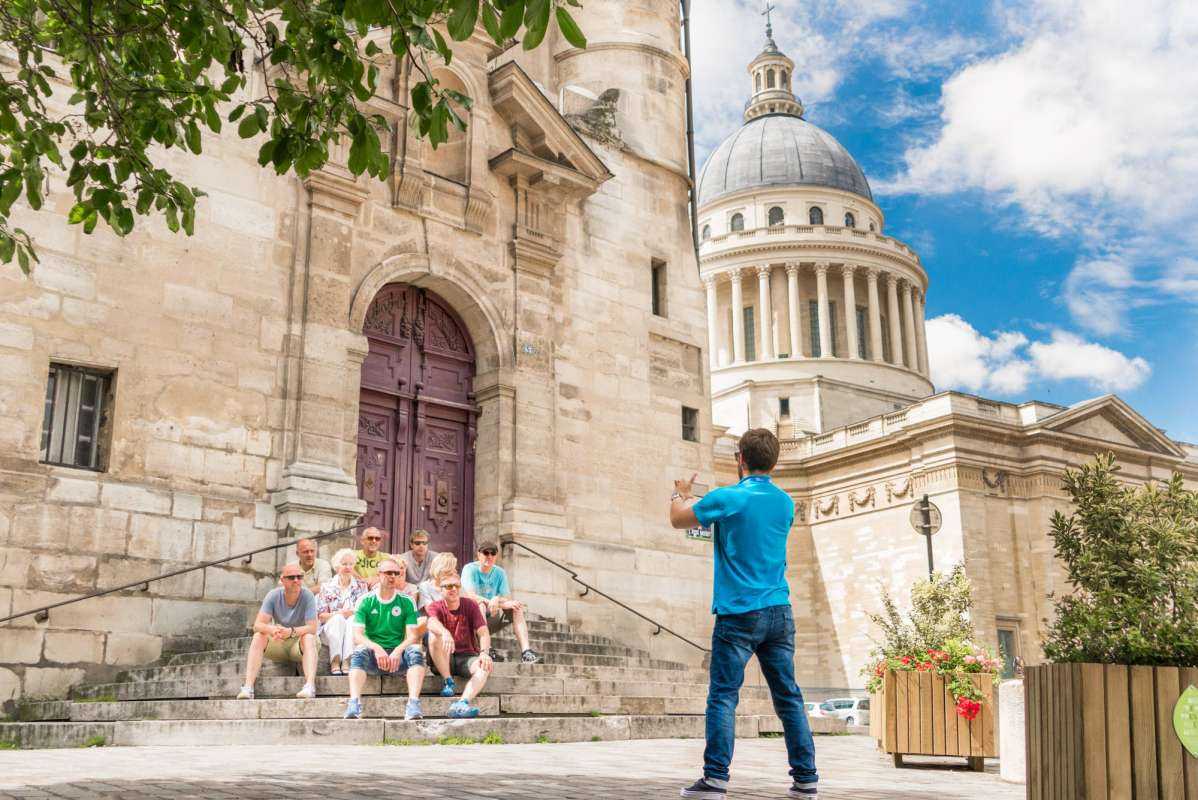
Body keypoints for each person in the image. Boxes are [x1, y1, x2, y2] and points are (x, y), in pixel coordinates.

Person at [669, 428, 818, 800]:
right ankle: (806, 779)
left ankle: (715, 779)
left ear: (740, 459)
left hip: (738, 613)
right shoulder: (784, 502)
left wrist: (681, 494)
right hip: (779, 611)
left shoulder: (729, 497)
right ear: (775, 461)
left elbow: (678, 519)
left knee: (723, 696)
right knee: (789, 698)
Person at [343, 557, 427, 721]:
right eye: (389, 573)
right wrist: (376, 648)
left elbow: (413, 636)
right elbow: (357, 635)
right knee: (359, 651)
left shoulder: (406, 601)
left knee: (416, 651)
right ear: (379, 575)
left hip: (397, 660)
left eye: (397, 573)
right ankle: (354, 703)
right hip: (374, 659)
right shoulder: (365, 601)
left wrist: (397, 650)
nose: (393, 577)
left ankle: (413, 704)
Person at [237, 562, 320, 700]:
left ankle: (310, 686)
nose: (296, 580)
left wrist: (291, 632)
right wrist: (272, 629)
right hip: (279, 642)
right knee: (258, 636)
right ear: (282, 580)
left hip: (298, 644)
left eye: (299, 577)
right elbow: (257, 625)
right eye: (291, 577)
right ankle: (248, 687)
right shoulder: (273, 595)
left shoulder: (308, 595)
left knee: (309, 637)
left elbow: (312, 628)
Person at [424, 571, 493, 718]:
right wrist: (445, 632)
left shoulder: (471, 605)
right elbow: (431, 622)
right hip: (444, 657)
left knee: (484, 666)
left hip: (467, 656)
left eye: (456, 585)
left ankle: (462, 703)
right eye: (448, 586)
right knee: (433, 635)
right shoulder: (435, 606)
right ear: (440, 589)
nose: (453, 589)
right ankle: (448, 681)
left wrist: (484, 653)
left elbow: (483, 632)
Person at [461, 541, 539, 664]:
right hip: (469, 621)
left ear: (496, 556)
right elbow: (470, 596)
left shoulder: (500, 572)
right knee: (479, 605)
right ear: (478, 554)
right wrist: (494, 601)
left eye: (493, 553)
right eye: (486, 553)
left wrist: (497, 600)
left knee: (515, 607)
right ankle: (486, 649)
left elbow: (506, 598)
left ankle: (526, 652)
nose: (489, 556)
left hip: (491, 616)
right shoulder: (469, 569)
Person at [316, 548, 369, 675]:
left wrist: (349, 615)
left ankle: (347, 660)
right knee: (338, 619)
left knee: (353, 620)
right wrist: (340, 614)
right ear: (336, 566)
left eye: (351, 564)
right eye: (344, 564)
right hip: (330, 630)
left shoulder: (361, 586)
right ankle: (335, 660)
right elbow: (321, 616)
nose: (348, 567)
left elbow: (364, 612)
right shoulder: (327, 587)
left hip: (353, 629)